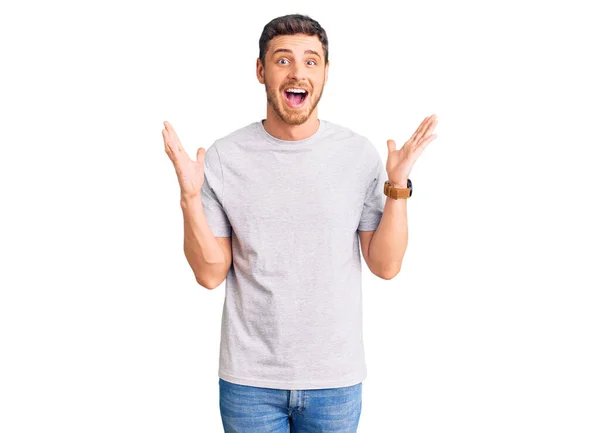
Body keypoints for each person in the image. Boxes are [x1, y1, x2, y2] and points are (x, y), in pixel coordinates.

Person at [162, 13, 438, 433]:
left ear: (326, 72)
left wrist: (397, 186)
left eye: (311, 61)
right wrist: (188, 198)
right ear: (260, 70)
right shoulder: (223, 158)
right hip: (250, 381)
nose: (297, 72)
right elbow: (209, 273)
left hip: (335, 380)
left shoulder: (358, 154)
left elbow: (386, 266)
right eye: (283, 59)